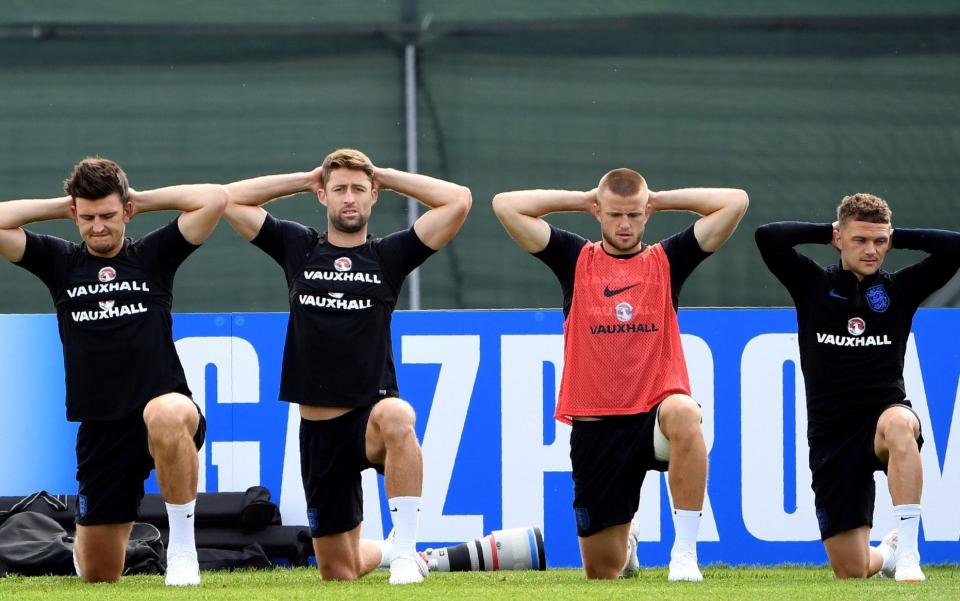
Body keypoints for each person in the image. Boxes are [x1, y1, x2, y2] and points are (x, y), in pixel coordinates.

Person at [223, 148, 471, 584]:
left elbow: (458, 200)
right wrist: (304, 177)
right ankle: (388, 548)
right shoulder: (299, 247)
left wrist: (386, 175)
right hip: (319, 432)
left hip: (369, 418)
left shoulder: (388, 255)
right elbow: (231, 200)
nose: (350, 198)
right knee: (340, 572)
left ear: (373, 196)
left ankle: (406, 553)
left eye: (359, 189)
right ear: (323, 195)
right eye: (339, 189)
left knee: (398, 415)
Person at [492, 170, 748, 581]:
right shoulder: (575, 259)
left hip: (653, 417)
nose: (624, 225)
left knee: (684, 410)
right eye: (614, 215)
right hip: (597, 427)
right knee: (602, 571)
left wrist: (659, 198)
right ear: (598, 212)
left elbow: (735, 200)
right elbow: (506, 204)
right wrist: (583, 197)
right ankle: (627, 544)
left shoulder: (667, 259)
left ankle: (683, 553)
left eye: (634, 214)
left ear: (647, 213)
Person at [0, 157, 227, 585]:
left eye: (108, 214)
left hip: (166, 412)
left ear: (124, 212)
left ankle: (182, 549)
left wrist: (139, 200)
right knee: (99, 574)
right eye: (87, 217)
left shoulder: (152, 255)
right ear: (75, 215)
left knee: (166, 412)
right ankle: (101, 549)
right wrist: (65, 206)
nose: (98, 226)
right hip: (102, 428)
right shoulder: (60, 262)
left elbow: (215, 199)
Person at [755, 193, 960, 582]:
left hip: (884, 418)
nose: (872, 250)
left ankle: (912, 553)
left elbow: (955, 246)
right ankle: (890, 554)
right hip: (831, 435)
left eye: (880, 242)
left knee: (901, 424)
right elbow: (768, 237)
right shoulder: (812, 283)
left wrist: (896, 235)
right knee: (850, 569)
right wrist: (830, 230)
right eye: (860, 240)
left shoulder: (901, 289)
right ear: (839, 238)